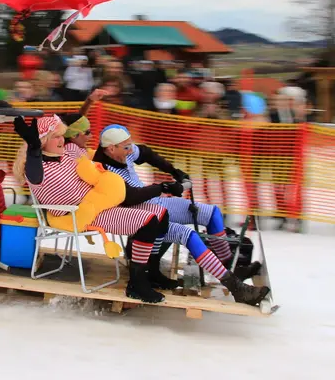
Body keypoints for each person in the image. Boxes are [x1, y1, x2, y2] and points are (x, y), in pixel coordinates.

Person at [89, 125, 268, 306]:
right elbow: (130, 197)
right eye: (126, 147)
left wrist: (174, 171)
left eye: (130, 145)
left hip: (154, 205)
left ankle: (230, 268)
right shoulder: (103, 170)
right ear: (111, 149)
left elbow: (145, 152)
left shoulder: (121, 150)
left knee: (212, 213)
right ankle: (234, 285)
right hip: (138, 213)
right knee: (189, 235)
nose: (130, 150)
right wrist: (162, 188)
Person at [12, 114, 171, 304]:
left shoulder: (69, 153)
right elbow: (35, 172)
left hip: (100, 202)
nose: (62, 139)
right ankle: (137, 283)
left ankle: (150, 271)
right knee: (148, 222)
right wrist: (33, 148)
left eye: (62, 135)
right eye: (55, 136)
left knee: (161, 214)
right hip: (79, 214)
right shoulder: (38, 169)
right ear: (42, 141)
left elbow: (75, 121)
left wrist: (90, 103)